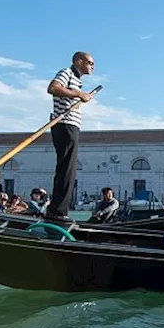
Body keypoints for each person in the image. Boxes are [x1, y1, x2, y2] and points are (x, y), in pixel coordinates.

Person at [45, 51, 95, 224]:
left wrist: (79, 94)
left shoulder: (76, 79)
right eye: (90, 62)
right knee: (67, 170)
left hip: (69, 126)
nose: (92, 66)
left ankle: (58, 210)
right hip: (65, 125)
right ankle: (57, 212)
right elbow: (53, 88)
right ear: (79, 61)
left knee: (67, 169)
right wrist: (79, 95)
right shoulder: (66, 72)